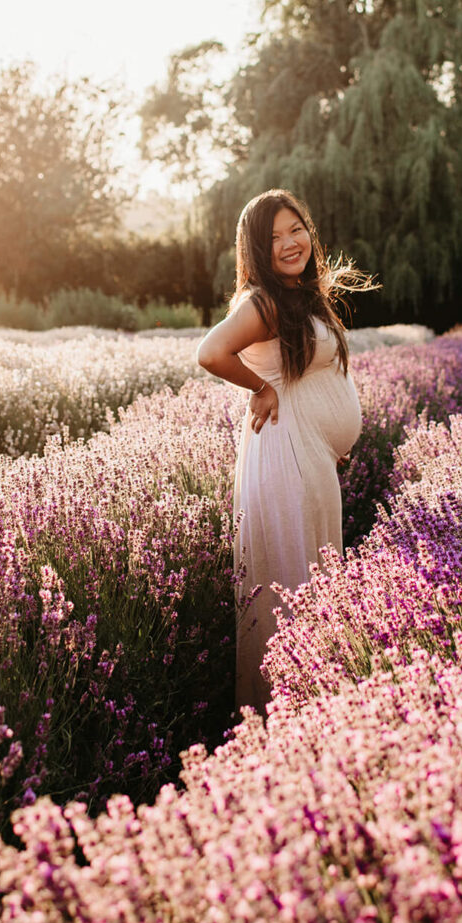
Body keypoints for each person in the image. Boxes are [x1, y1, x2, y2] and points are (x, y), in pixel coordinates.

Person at [195, 189, 373, 711]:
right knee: (295, 586)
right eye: (273, 238)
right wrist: (259, 387)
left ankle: (309, 705)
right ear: (256, 250)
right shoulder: (264, 301)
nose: (289, 242)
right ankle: (294, 712)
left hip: (309, 454)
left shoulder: (301, 294)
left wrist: (328, 433)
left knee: (311, 582)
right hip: (286, 453)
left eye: (295, 228)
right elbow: (210, 351)